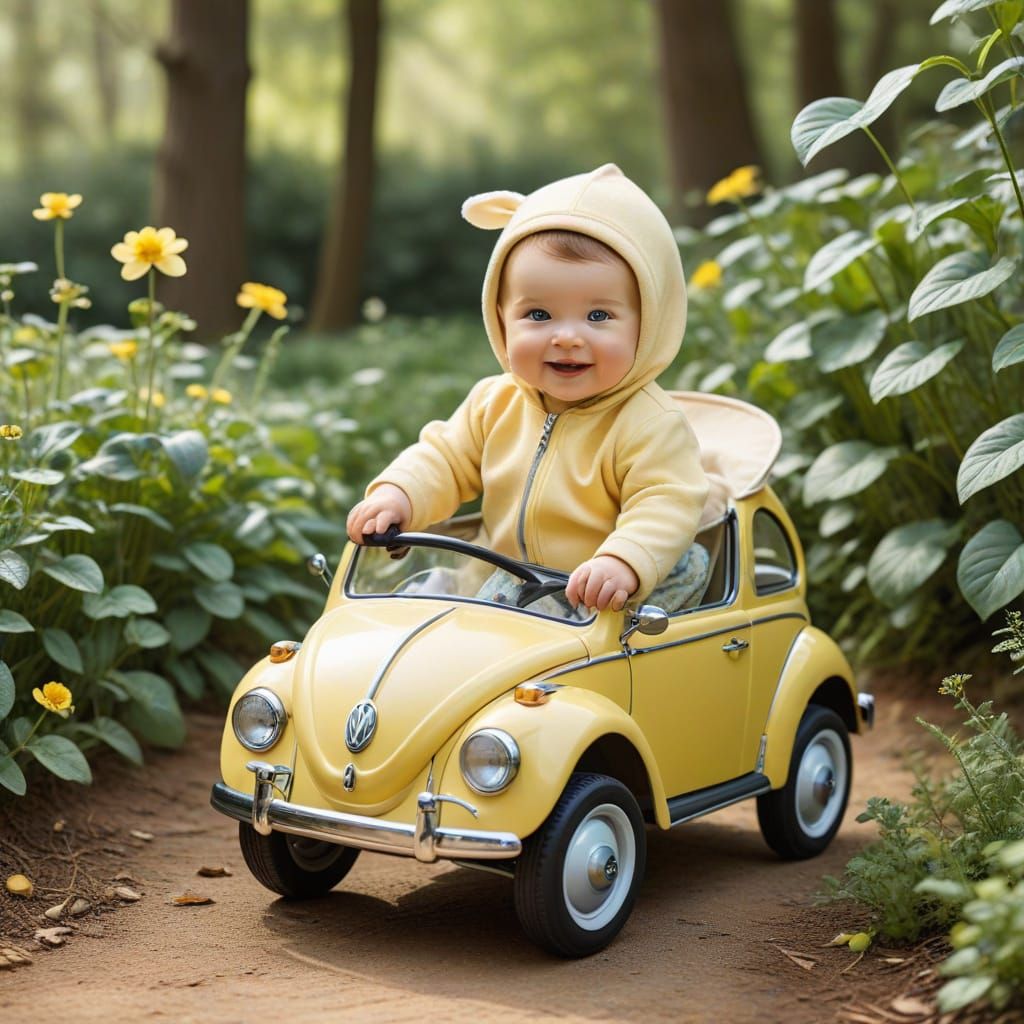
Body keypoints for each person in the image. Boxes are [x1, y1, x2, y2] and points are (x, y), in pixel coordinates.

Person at [346, 163, 709, 613]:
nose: (567, 337)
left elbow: (666, 503)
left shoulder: (650, 424)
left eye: (598, 316)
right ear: (500, 319)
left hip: (587, 598)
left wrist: (622, 560)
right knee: (406, 612)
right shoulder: (494, 402)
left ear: (650, 323)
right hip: (493, 579)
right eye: (538, 315)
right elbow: (444, 457)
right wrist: (399, 494)